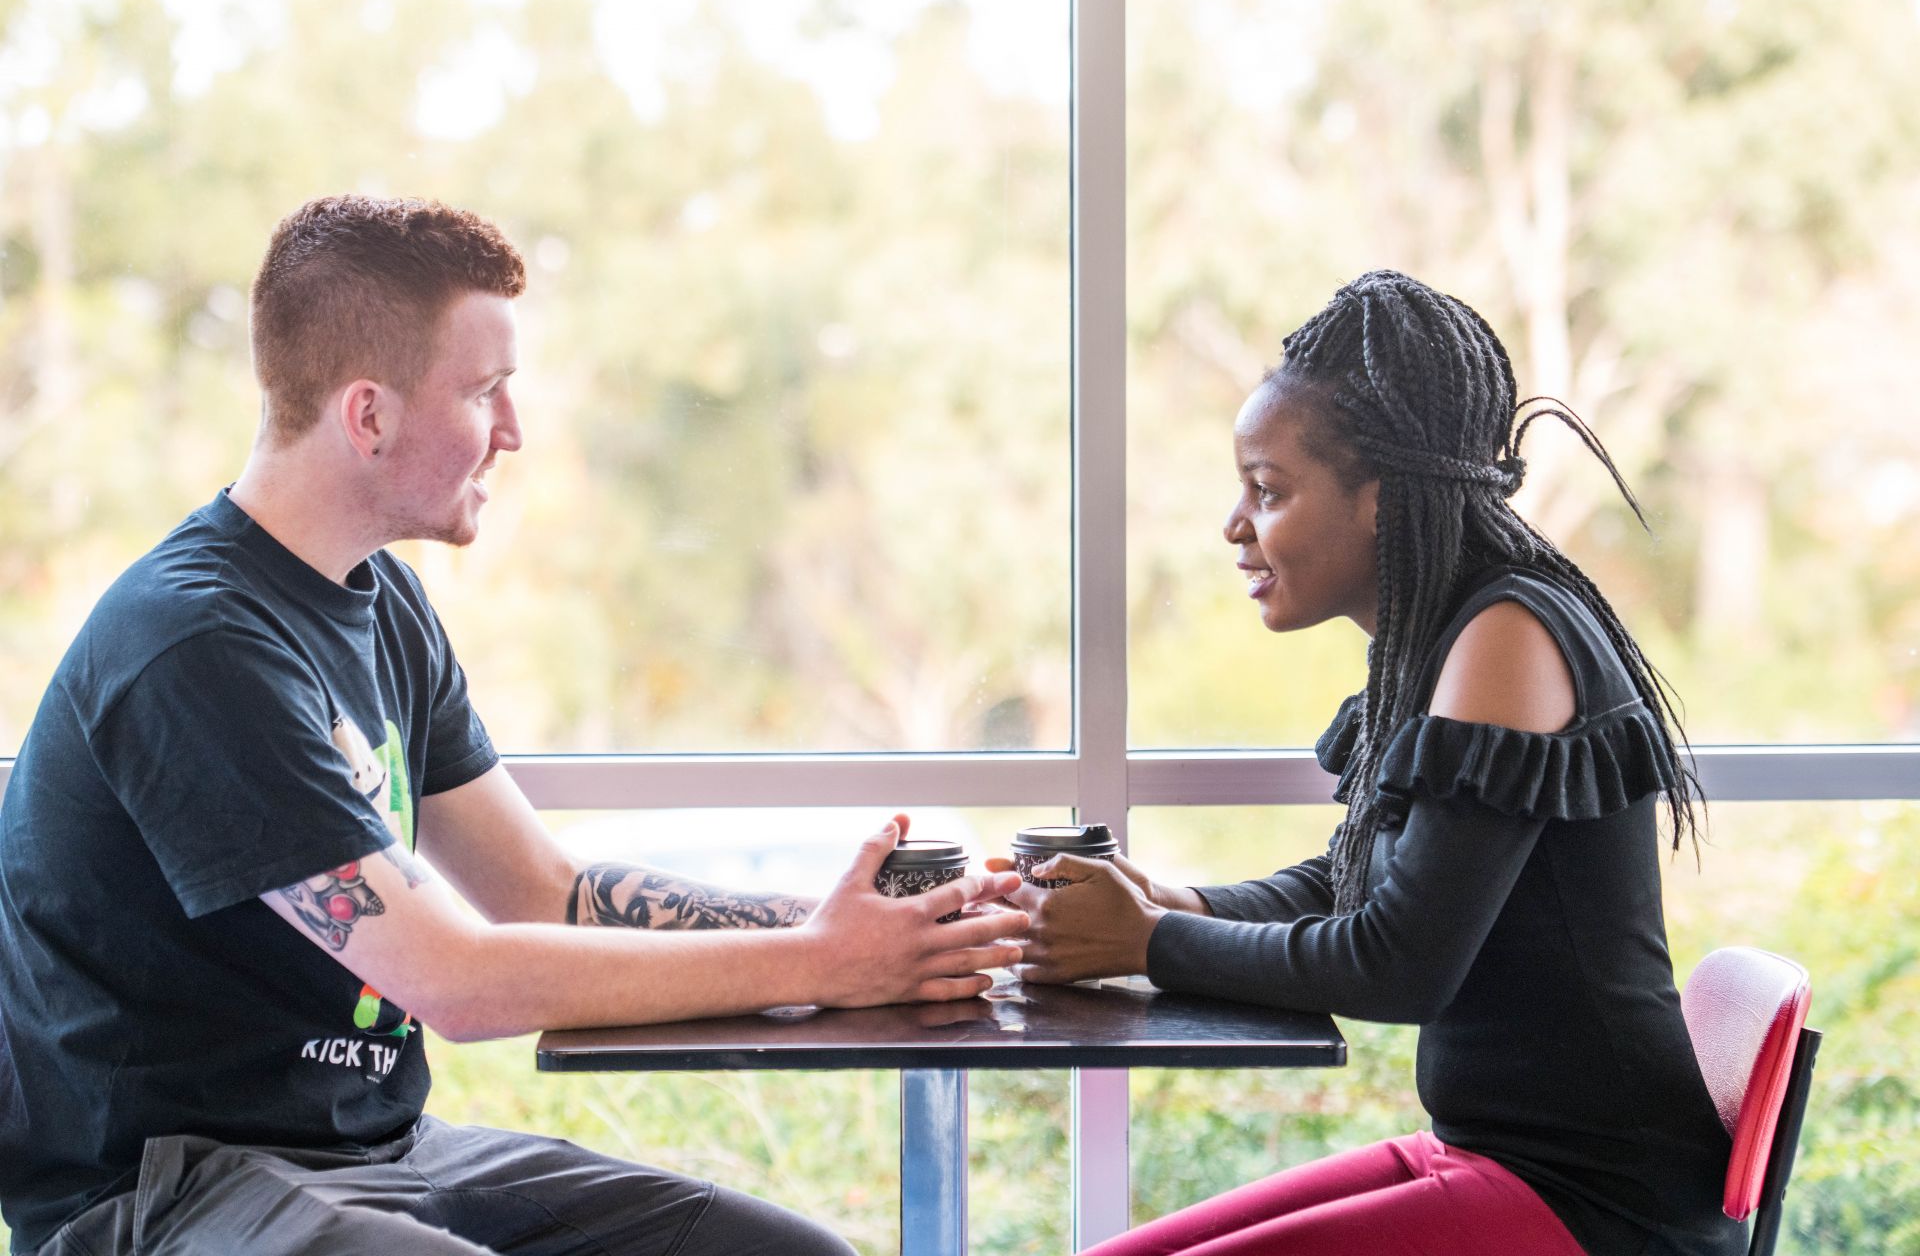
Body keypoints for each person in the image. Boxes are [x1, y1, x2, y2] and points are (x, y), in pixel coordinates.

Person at [0, 194, 1028, 1256]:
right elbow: (457, 978)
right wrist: (821, 965)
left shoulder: (381, 601)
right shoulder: (195, 643)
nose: (514, 432)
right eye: (485, 390)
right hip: (162, 1192)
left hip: (376, 1155)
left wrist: (849, 923)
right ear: (369, 415)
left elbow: (542, 889)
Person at [999, 271, 1742, 1255]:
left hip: (1595, 1204)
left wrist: (1142, 941)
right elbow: (1356, 882)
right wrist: (1176, 903)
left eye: (1268, 490)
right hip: (1494, 1156)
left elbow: (1398, 961)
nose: (1234, 524)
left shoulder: (1509, 636)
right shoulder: (1450, 636)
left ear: (1381, 499)